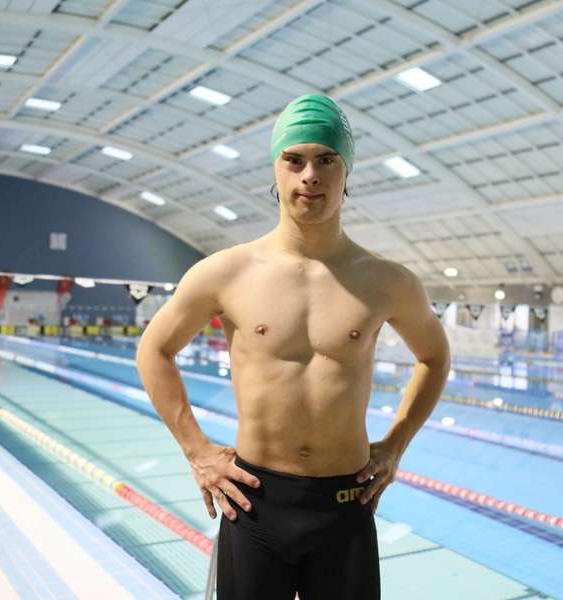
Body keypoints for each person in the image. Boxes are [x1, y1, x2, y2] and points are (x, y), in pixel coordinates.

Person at [136, 94, 451, 600]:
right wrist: (197, 451)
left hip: (345, 503)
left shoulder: (388, 282)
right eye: (295, 159)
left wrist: (395, 446)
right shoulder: (227, 272)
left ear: (346, 173)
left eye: (327, 160)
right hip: (254, 503)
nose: (311, 175)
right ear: (276, 170)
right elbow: (154, 350)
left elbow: (434, 357)